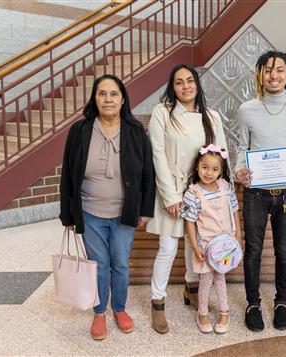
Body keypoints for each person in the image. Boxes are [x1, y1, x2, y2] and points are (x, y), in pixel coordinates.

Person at [59, 74, 155, 340]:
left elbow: (148, 174)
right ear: (94, 98)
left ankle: (120, 308)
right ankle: (100, 312)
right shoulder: (79, 131)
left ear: (123, 99)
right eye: (102, 94)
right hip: (89, 212)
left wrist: (145, 210)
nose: (108, 99)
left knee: (120, 263)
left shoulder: (135, 131)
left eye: (114, 94)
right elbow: (67, 173)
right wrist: (67, 214)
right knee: (99, 264)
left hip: (124, 213)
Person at [146, 64, 228, 334]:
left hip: (202, 194)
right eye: (179, 82)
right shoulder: (163, 114)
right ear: (173, 87)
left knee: (197, 246)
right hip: (171, 190)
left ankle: (192, 289)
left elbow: (221, 156)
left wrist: (217, 195)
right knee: (168, 248)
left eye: (190, 81)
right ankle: (157, 302)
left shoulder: (211, 116)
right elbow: (157, 155)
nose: (185, 86)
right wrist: (170, 196)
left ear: (197, 84)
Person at [234, 50, 286, 331]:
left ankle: (281, 302)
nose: (273, 75)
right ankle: (253, 303)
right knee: (252, 250)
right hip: (255, 193)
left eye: (279, 70)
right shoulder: (247, 109)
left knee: (283, 250)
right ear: (260, 75)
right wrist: (239, 171)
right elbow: (242, 148)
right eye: (267, 70)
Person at [182, 144, 241, 334]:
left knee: (220, 278)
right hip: (205, 246)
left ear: (221, 171)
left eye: (215, 169)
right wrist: (194, 245)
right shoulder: (192, 194)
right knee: (205, 280)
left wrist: (238, 235)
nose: (209, 173)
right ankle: (203, 313)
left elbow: (234, 211)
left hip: (225, 244)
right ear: (197, 167)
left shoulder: (226, 188)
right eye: (205, 167)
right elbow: (189, 222)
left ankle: (225, 312)